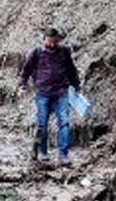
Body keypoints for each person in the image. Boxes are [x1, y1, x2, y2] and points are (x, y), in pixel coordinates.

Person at [18, 27, 81, 166]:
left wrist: (76, 86)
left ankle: (63, 155)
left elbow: (71, 70)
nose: (52, 45)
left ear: (58, 40)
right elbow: (25, 71)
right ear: (44, 40)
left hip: (61, 92)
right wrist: (21, 86)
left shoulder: (64, 51)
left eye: (55, 42)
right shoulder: (36, 52)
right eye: (49, 42)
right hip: (42, 93)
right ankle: (42, 152)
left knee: (64, 122)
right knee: (42, 124)